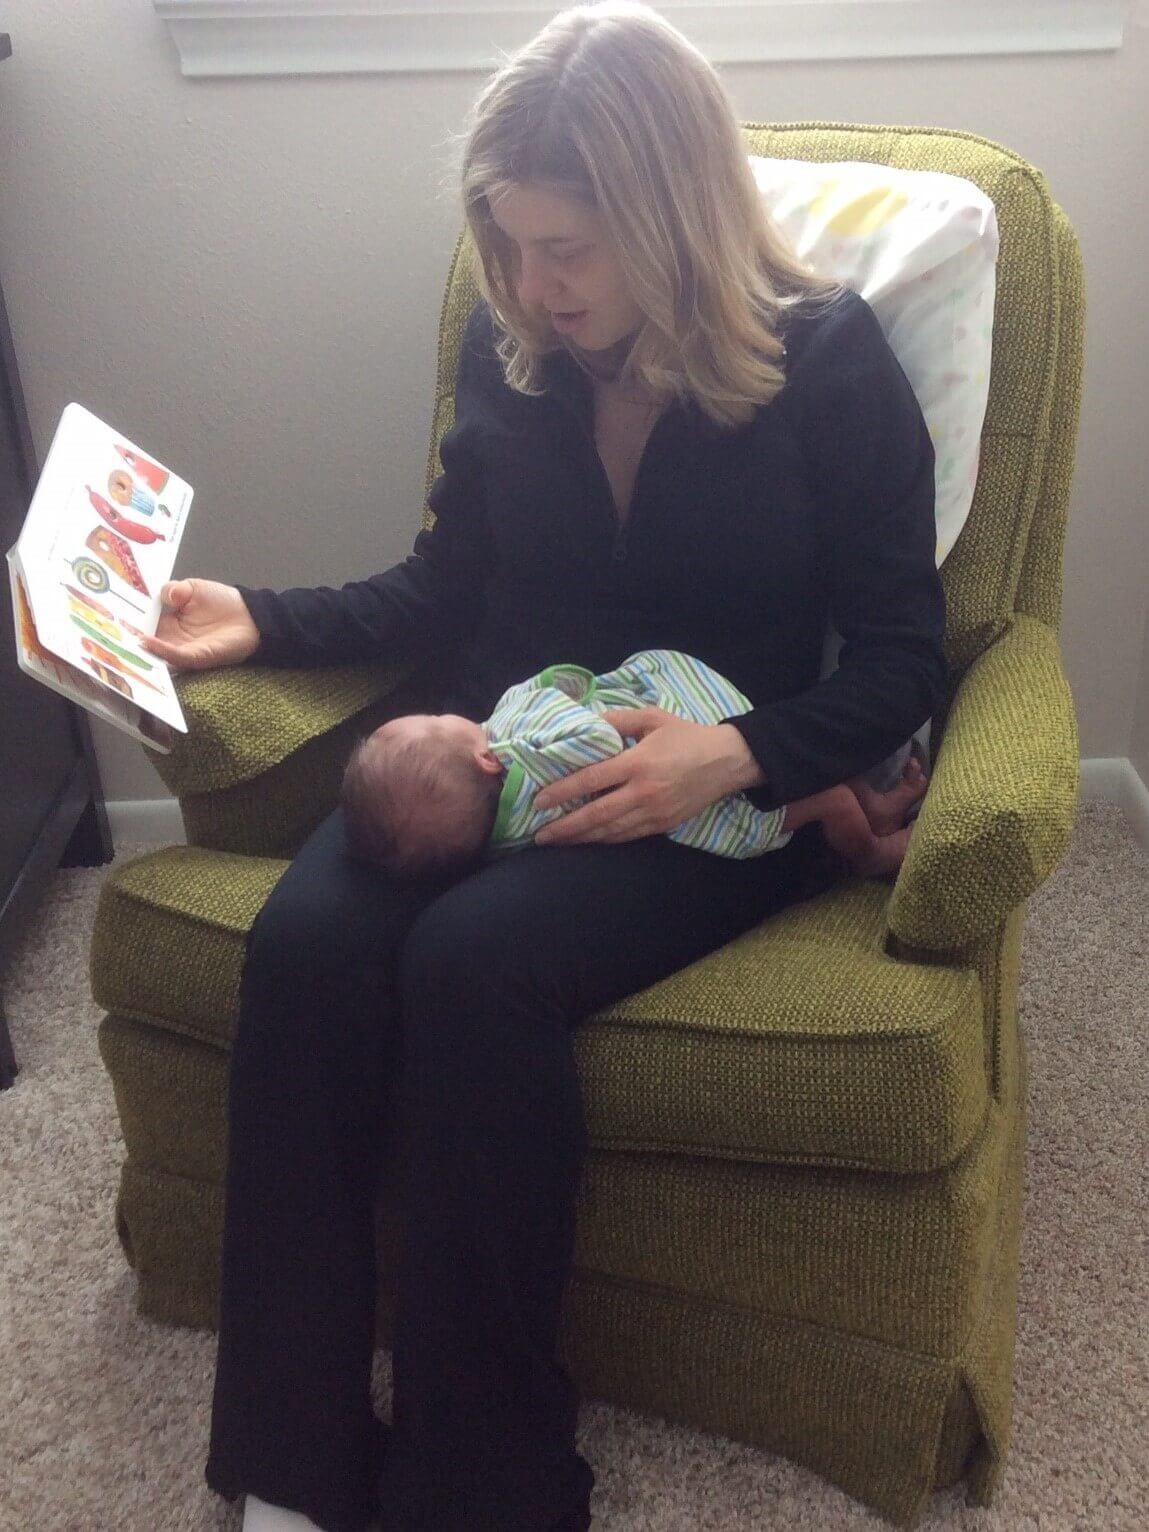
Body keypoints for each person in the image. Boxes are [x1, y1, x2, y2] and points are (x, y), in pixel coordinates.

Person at [141, 3, 947, 1528]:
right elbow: (446, 587)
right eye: (506, 244)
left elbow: (909, 652)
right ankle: (290, 1467)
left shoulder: (829, 365)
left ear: (673, 216)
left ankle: (485, 1476)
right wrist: (265, 615)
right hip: (490, 743)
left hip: (705, 794)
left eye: (566, 247)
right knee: (308, 945)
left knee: (472, 966)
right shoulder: (512, 349)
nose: (531, 284)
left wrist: (744, 756)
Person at [340, 648, 930, 878]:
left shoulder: (498, 836)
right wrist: (549, 697)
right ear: (488, 760)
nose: (454, 715)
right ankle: (873, 845)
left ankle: (869, 805)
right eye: (443, 722)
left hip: (692, 797)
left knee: (821, 784)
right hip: (719, 807)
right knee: (829, 800)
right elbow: (594, 742)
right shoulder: (527, 751)